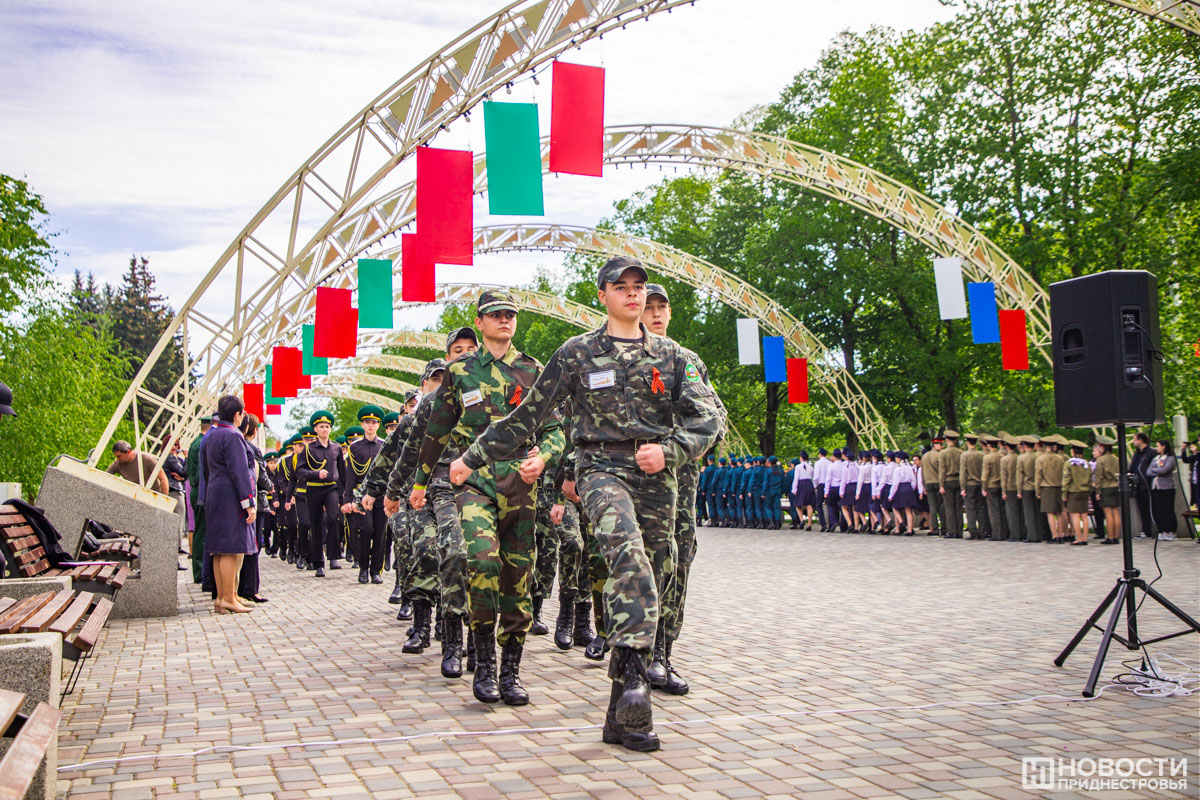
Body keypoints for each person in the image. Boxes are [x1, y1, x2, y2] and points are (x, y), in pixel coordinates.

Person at [449, 256, 722, 752]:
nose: (633, 294)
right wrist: (472, 456)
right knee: (628, 556)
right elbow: (527, 416)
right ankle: (637, 679)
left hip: (659, 477)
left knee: (654, 577)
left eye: (639, 286)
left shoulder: (673, 356)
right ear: (603, 295)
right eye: (622, 286)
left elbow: (708, 418)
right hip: (600, 470)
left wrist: (672, 450)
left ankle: (624, 712)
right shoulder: (576, 354)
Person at [412, 290, 564, 706]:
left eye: (510, 314)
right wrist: (421, 482)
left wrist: (545, 457)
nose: (503, 320)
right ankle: (482, 662)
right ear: (480, 322)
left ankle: (510, 671)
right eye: (494, 314)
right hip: (473, 480)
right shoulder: (460, 371)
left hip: (521, 482)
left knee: (518, 576)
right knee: (481, 560)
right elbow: (437, 431)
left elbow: (555, 430)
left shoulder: (533, 371)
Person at [639, 282, 725, 691]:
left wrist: (681, 446)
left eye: (662, 307)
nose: (656, 313)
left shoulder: (685, 361)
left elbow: (715, 418)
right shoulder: (619, 357)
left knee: (677, 556)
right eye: (648, 306)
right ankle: (629, 647)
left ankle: (662, 654)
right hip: (630, 477)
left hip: (680, 479)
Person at [204, 395, 257, 614]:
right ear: (237, 415)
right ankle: (228, 598)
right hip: (231, 496)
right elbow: (240, 471)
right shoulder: (234, 436)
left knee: (218, 549)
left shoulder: (211, 434)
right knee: (231, 548)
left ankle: (223, 597)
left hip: (215, 493)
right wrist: (249, 502)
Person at [343, 405, 388, 584]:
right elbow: (351, 475)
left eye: (374, 423)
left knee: (380, 532)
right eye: (367, 422)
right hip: (362, 494)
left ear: (378, 426)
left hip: (381, 494)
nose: (370, 426)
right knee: (366, 529)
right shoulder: (355, 447)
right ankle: (363, 567)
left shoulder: (384, 446)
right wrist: (348, 500)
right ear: (362, 425)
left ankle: (376, 570)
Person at [298, 410, 346, 577]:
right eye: (321, 427)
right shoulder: (308, 449)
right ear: (315, 430)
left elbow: (342, 473)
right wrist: (315, 474)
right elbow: (300, 471)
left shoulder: (336, 448)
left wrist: (344, 496)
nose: (325, 429)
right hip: (314, 488)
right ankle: (318, 562)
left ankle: (334, 556)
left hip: (331, 488)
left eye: (327, 426)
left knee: (333, 519)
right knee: (316, 524)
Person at [237, 412, 270, 601]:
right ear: (255, 430)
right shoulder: (252, 449)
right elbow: (260, 476)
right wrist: (271, 486)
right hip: (255, 502)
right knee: (253, 546)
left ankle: (240, 587)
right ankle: (250, 588)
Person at [186, 413, 213, 583]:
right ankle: (200, 571)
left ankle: (200, 570)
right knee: (202, 532)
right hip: (201, 491)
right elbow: (201, 473)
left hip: (196, 490)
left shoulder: (195, 443)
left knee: (200, 531)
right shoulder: (203, 443)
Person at [1036, 434, 1067, 543]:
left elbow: (1038, 475)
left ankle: (1054, 536)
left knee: (1050, 513)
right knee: (1059, 512)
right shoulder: (1060, 458)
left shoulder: (1041, 458)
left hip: (1047, 487)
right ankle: (1060, 535)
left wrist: (1037, 490)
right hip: (1058, 486)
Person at [1146, 439, 1178, 541]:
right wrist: (1157, 470)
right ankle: (1162, 530)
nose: (1157, 448)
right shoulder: (1156, 458)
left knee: (1167, 509)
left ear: (1164, 446)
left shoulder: (1170, 458)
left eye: (1158, 446)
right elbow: (1148, 472)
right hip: (1155, 487)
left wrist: (1155, 470)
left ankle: (1171, 531)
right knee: (1158, 509)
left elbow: (1165, 470)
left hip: (1167, 487)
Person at [1063, 440, 1092, 545]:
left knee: (1075, 515)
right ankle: (1084, 538)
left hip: (1074, 491)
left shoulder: (1069, 463)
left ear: (1073, 451)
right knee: (1084, 515)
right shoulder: (1086, 463)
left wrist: (1064, 493)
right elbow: (1090, 478)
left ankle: (1078, 538)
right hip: (1085, 491)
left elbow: (1067, 479)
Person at [1092, 435, 1121, 545]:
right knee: (1115, 512)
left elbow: (1099, 476)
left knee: (1108, 513)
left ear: (1103, 448)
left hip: (1105, 487)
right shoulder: (1116, 458)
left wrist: (1098, 491)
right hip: (1115, 486)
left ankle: (1110, 536)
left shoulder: (1101, 460)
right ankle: (1116, 536)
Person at [1129, 432, 1154, 538]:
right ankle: (1145, 530)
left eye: (1135, 439)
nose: (1134, 442)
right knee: (1142, 509)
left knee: (1149, 508)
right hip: (1138, 485)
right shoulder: (1137, 453)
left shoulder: (1151, 452)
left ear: (1140, 440)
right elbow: (1132, 467)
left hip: (1148, 485)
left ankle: (1151, 530)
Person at [939, 431, 964, 538]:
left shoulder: (943, 453)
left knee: (949, 508)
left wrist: (941, 484)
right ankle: (959, 531)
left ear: (946, 440)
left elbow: (942, 470)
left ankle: (952, 531)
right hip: (958, 480)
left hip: (948, 481)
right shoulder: (961, 452)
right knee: (958, 507)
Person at [923, 437, 944, 537]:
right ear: (935, 445)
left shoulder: (925, 456)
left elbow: (922, 473)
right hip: (937, 482)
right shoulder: (939, 456)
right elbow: (941, 471)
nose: (942, 446)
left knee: (932, 507)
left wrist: (923, 485)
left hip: (928, 483)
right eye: (940, 445)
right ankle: (944, 527)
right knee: (941, 506)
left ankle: (934, 528)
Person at [791, 452, 816, 530]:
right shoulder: (811, 467)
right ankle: (809, 523)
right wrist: (814, 487)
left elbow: (796, 478)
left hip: (801, 484)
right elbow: (813, 478)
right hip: (809, 484)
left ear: (801, 458)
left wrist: (794, 489)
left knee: (798, 504)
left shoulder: (798, 467)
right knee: (809, 505)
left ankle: (802, 520)